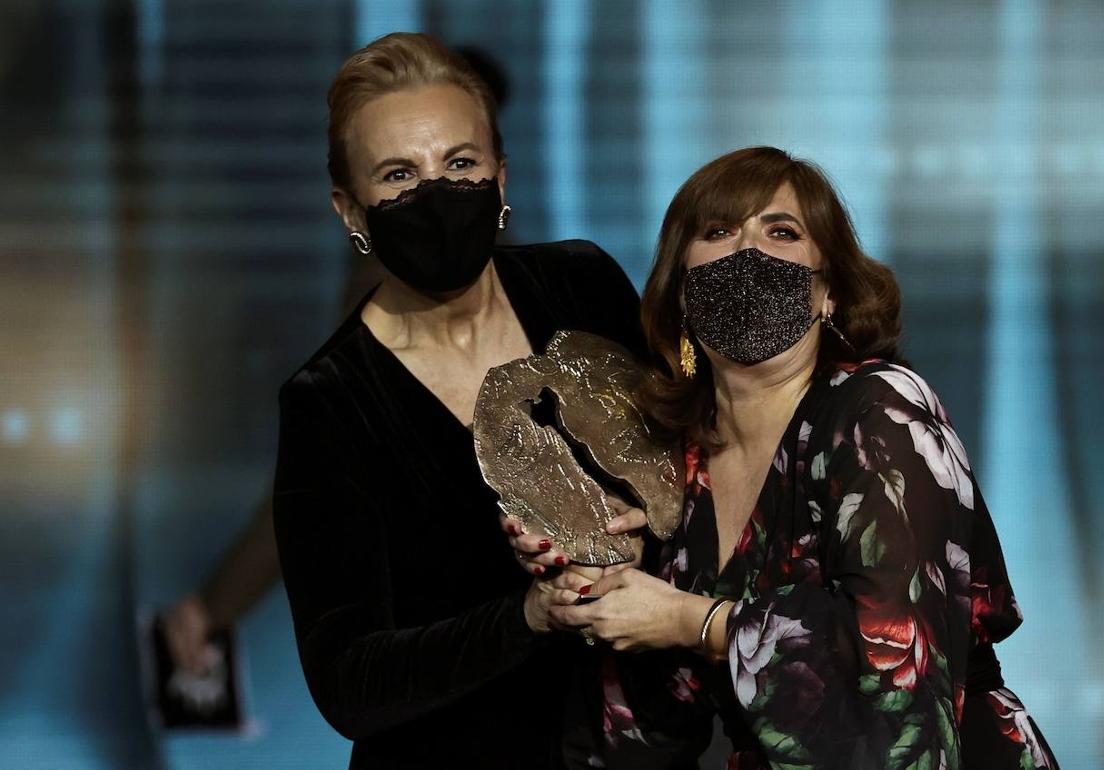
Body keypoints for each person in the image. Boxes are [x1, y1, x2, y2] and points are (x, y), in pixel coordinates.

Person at [528, 147, 1058, 768]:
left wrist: (692, 622)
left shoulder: (880, 412)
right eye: (719, 231)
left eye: (781, 232)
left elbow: (897, 666)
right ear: (680, 294)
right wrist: (594, 595)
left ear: (828, 291)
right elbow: (645, 728)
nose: (747, 253)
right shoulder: (673, 469)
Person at [271, 33, 642, 768]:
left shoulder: (583, 285)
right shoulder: (329, 403)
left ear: (503, 180)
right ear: (350, 210)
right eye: (399, 175)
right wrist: (530, 614)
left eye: (460, 163)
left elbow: (689, 467)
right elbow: (350, 685)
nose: (436, 195)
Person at [159, 45, 509, 679]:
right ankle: (202, 617)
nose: (435, 181)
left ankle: (203, 616)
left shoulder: (530, 263)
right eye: (401, 170)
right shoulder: (389, 275)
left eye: (460, 157)